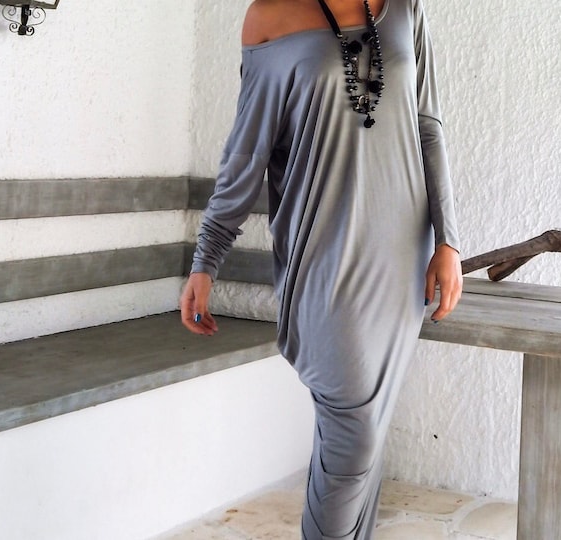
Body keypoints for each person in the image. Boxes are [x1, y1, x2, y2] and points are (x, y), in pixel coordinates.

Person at [180, 0, 462, 537]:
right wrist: (207, 258)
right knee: (353, 439)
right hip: (324, 259)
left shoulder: (405, 7)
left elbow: (427, 126)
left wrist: (448, 241)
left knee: (366, 437)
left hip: (400, 256)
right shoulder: (270, 16)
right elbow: (247, 153)